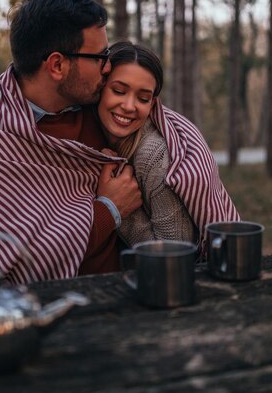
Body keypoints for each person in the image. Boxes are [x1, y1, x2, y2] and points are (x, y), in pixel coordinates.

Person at [0, 0, 141, 291]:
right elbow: (19, 263)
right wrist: (110, 209)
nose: (108, 67)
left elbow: (161, 124)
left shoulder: (101, 103)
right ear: (57, 66)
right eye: (100, 57)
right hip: (42, 309)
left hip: (124, 293)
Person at [95, 41, 240, 259]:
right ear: (100, 88)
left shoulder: (152, 155)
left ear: (152, 105)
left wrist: (120, 207)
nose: (128, 105)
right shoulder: (90, 132)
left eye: (142, 98)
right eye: (118, 91)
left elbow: (175, 253)